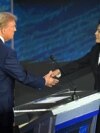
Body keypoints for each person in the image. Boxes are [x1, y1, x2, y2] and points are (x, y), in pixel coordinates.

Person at [0, 12, 59, 133]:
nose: (15, 29)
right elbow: (22, 76)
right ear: (3, 29)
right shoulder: (5, 52)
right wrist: (44, 81)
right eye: (13, 26)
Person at [52, 21, 100, 133]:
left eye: (99, 31)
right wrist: (59, 71)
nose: (95, 33)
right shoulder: (95, 50)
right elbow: (79, 63)